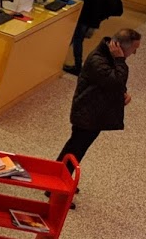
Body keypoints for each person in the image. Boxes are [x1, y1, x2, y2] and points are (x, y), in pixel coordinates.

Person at [57, 28, 141, 170]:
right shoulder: (99, 60)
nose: (134, 53)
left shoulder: (109, 57)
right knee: (75, 147)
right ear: (119, 48)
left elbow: (113, 83)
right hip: (87, 113)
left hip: (95, 112)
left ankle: (62, 177)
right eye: (134, 49)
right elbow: (115, 81)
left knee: (78, 148)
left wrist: (122, 93)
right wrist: (120, 60)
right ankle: (56, 181)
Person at [65, 0, 114, 75]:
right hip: (94, 16)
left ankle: (77, 66)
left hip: (86, 16)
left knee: (77, 39)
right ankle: (59, 56)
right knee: (74, 38)